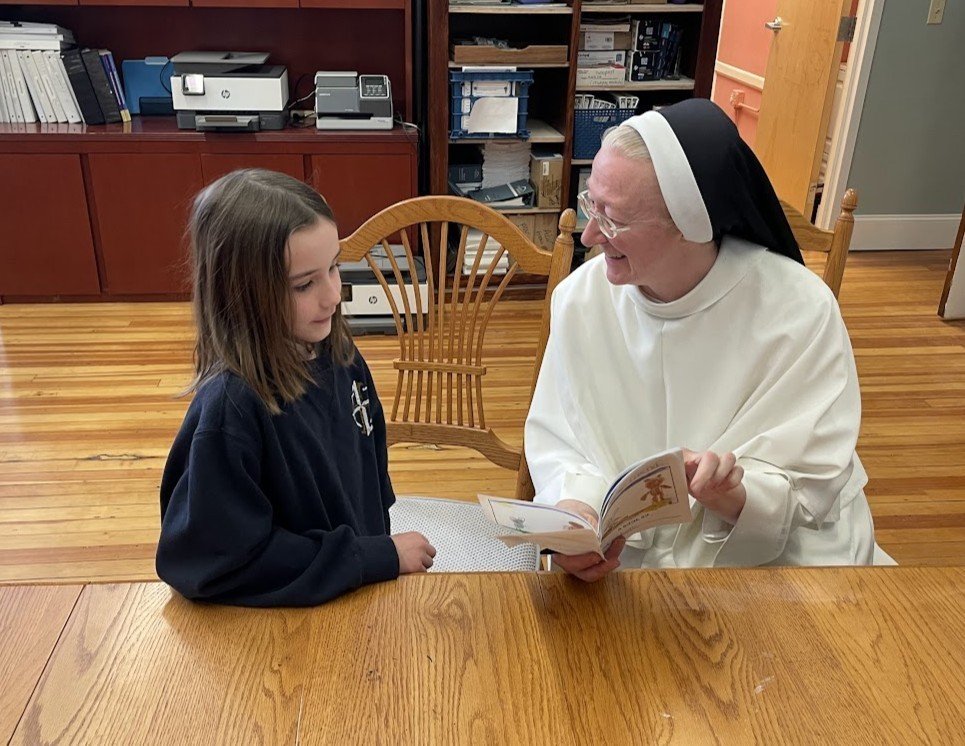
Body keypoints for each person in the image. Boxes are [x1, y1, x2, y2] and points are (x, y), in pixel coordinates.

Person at [525, 99, 878, 581]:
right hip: (623, 560)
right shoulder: (580, 301)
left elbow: (810, 484)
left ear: (691, 225)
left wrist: (733, 495)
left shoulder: (798, 310)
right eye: (592, 205)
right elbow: (563, 440)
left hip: (768, 560)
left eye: (614, 220)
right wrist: (579, 513)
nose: (589, 236)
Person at [156, 169, 435, 606]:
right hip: (289, 631)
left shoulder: (339, 353)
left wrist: (374, 550)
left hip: (353, 596)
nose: (333, 295)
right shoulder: (230, 412)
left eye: (335, 267)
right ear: (242, 292)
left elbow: (366, 469)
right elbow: (212, 564)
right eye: (305, 284)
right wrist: (373, 557)